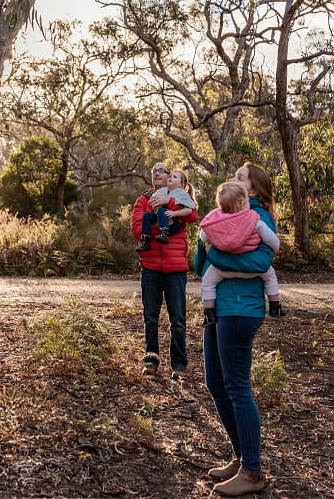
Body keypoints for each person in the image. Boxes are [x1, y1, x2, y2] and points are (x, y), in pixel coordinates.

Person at [192, 161, 278, 496]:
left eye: (240, 178)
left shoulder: (258, 219)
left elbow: (261, 262)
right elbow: (200, 266)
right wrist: (204, 243)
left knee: (237, 386)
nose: (233, 180)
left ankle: (253, 470)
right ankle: (241, 456)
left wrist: (218, 257)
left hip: (242, 309)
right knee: (216, 382)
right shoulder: (219, 216)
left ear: (253, 189)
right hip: (219, 309)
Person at [131, 162, 199, 379]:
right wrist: (162, 222)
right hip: (150, 267)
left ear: (170, 177)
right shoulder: (143, 199)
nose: (157, 173)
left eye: (162, 171)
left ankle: (179, 365)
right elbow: (136, 229)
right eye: (153, 171)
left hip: (175, 268)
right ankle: (151, 361)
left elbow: (192, 215)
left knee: (177, 319)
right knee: (150, 318)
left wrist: (168, 202)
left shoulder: (179, 196)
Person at [198, 181, 281, 326]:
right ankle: (275, 306)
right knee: (270, 275)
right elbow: (272, 240)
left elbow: (204, 236)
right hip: (253, 270)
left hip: (223, 270)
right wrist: (274, 248)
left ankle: (209, 313)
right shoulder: (254, 219)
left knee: (208, 282)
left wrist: (211, 241)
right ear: (243, 202)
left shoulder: (218, 219)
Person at [137, 168, 196, 252]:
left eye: (175, 177)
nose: (171, 177)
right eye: (170, 176)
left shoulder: (182, 193)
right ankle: (145, 240)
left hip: (174, 224)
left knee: (162, 210)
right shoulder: (163, 191)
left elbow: (190, 211)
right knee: (147, 215)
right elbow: (153, 200)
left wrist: (174, 213)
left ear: (182, 185)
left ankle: (164, 234)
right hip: (161, 218)